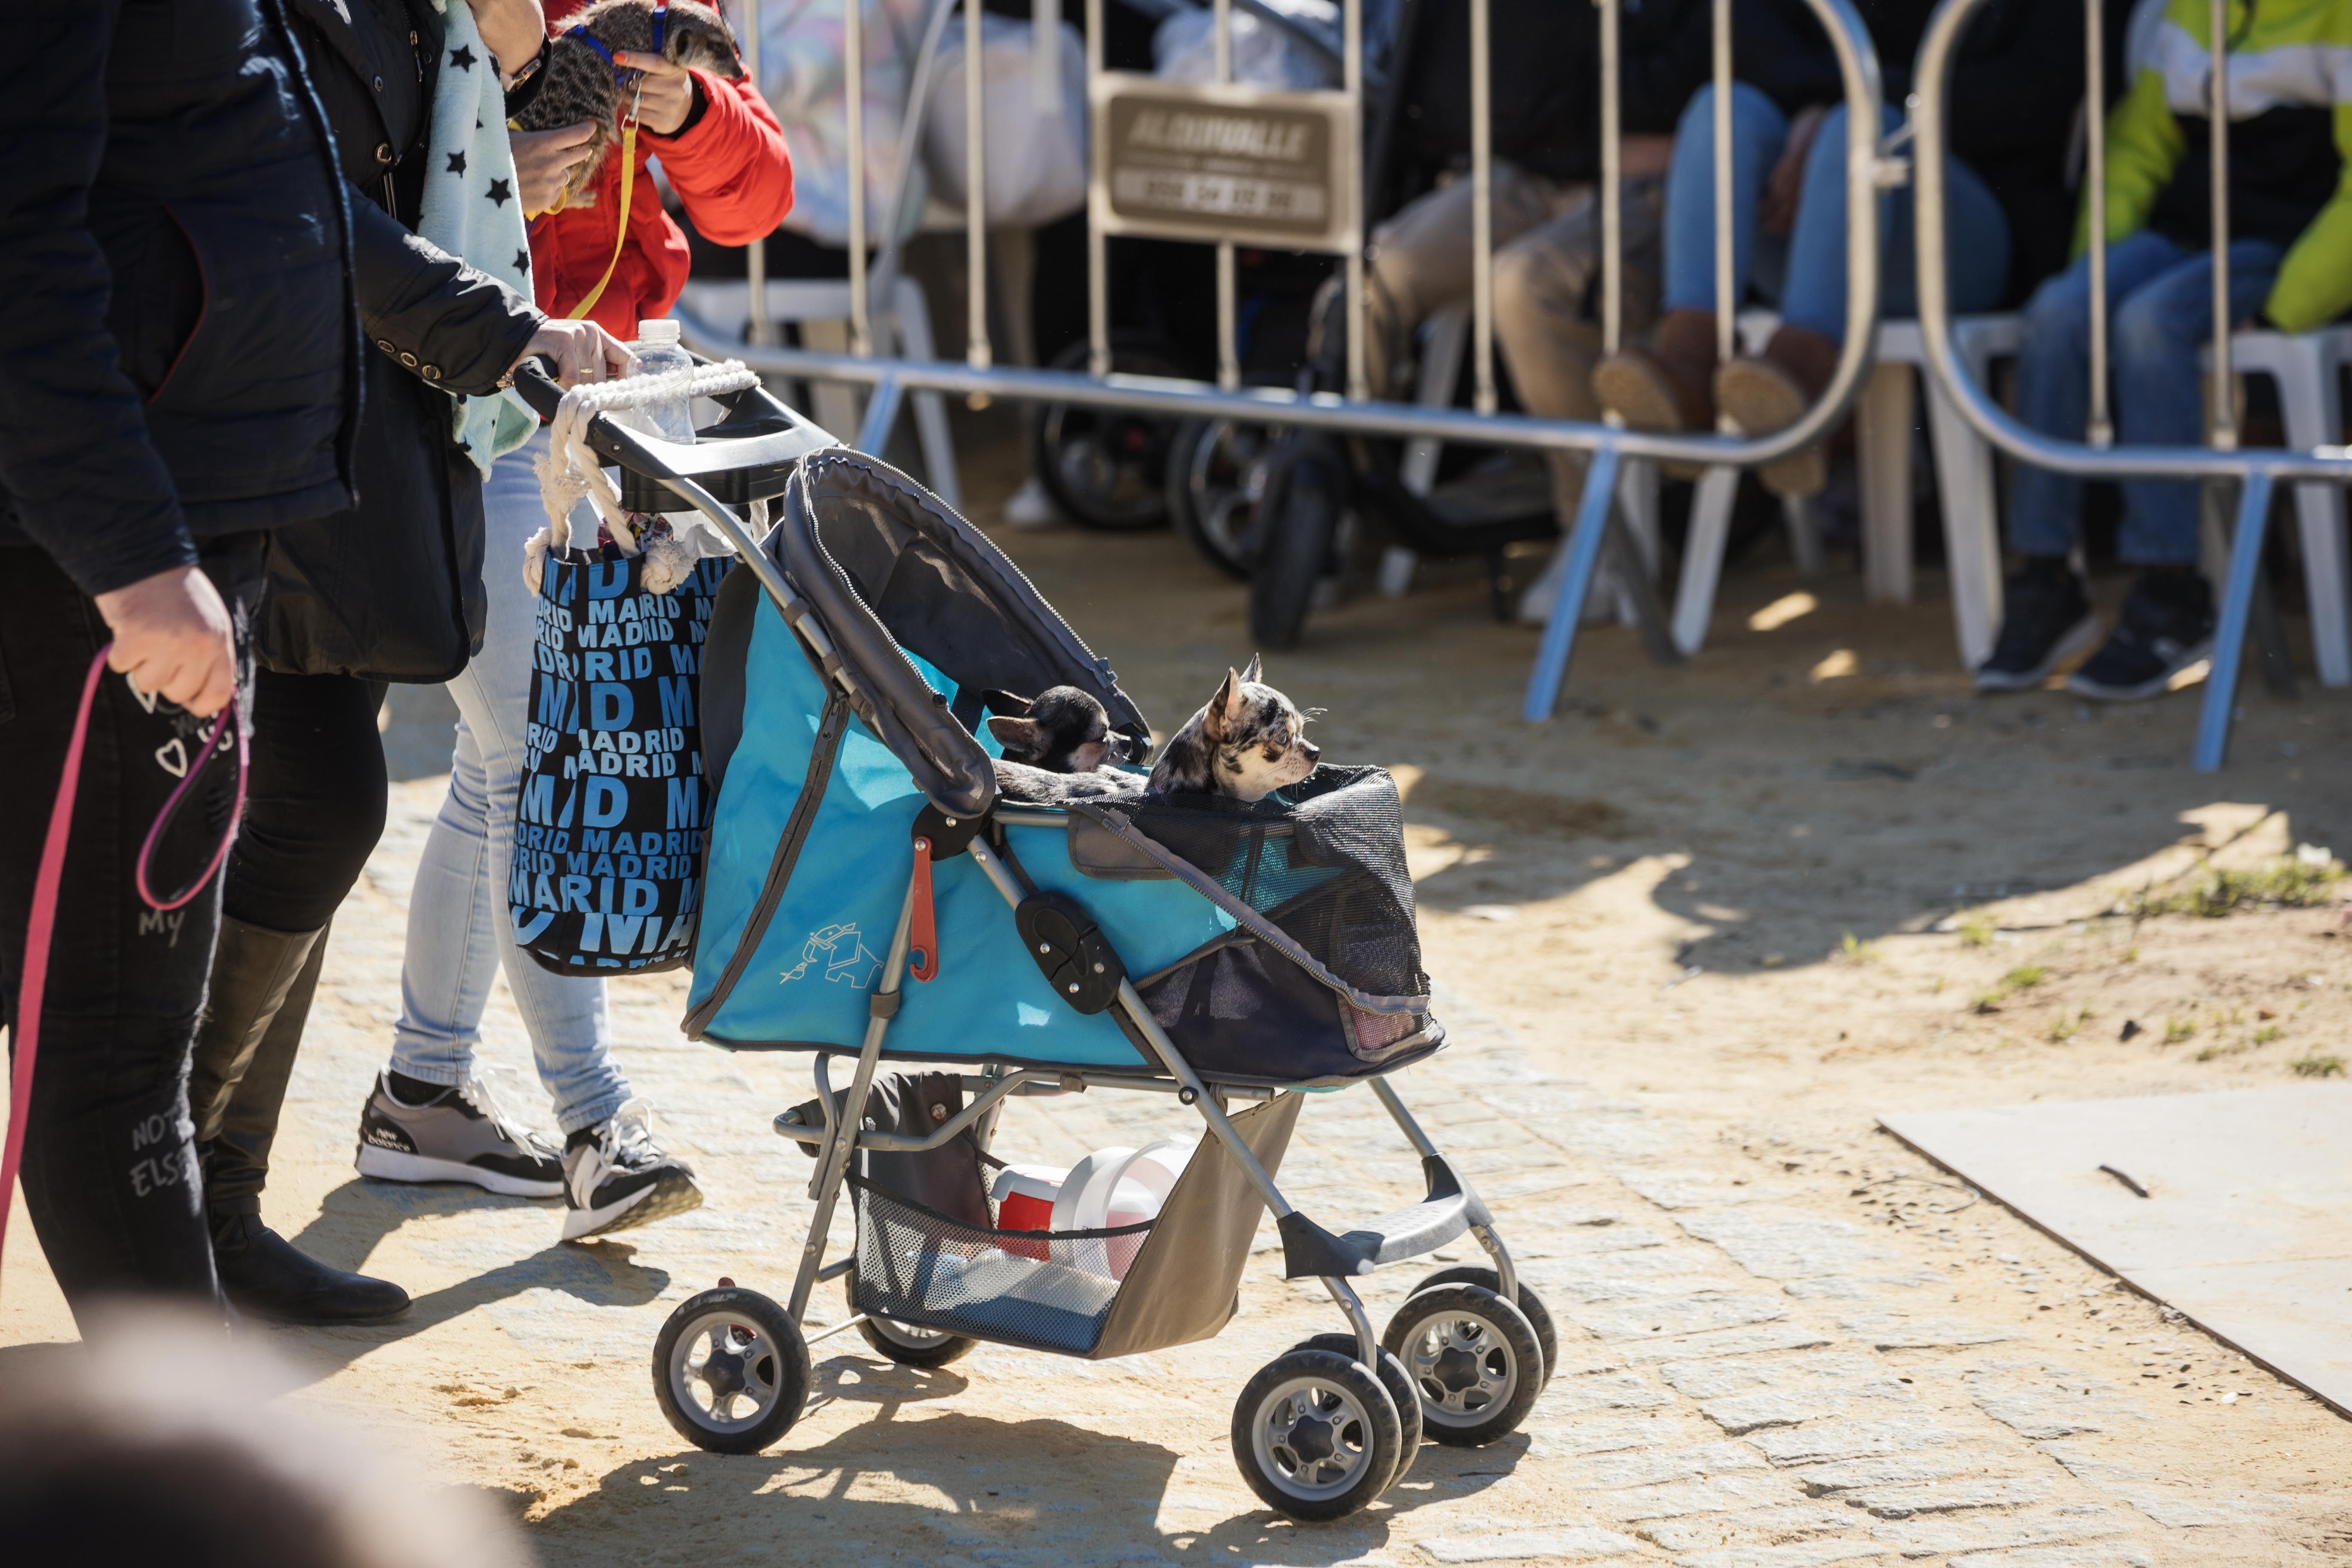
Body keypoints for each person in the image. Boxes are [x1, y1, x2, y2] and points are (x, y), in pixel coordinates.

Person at [186, 0, 634, 1324]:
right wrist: (501, 325)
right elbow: (288, 188)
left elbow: (458, 131)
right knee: (304, 813)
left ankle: (209, 1200)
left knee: (314, 817)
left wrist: (512, 63)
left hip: (360, 433)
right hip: (212, 426)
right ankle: (169, 1197)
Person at [355, 0, 794, 1242]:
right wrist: (494, 179)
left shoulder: (671, 15)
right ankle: (596, 1124)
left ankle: (420, 1095)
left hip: (622, 393)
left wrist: (693, 113)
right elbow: (351, 189)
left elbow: (757, 202)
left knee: (500, 761)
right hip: (477, 385)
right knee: (536, 749)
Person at [0, 0, 358, 1322]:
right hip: (102, 546)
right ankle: (189, 1443)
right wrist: (133, 555)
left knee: (109, 1039)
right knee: (113, 1047)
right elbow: (19, 232)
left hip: (157, 514)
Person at [1978, 0, 2352, 701]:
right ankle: (2043, 572)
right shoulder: (2190, 11)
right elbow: (2135, 150)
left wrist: (2288, 308)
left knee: (2149, 324)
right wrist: (2097, 267)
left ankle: (2172, 588)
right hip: (2182, 238)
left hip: (2280, 247)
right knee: (2059, 312)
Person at [1593, 0, 2082, 499]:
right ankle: (1690, 362)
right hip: (1819, 210)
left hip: (1964, 234)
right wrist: (1814, 108)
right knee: (1723, 109)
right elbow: (1754, 30)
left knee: (1858, 129)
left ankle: (1807, 391)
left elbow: (2034, 95)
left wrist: (1851, 102)